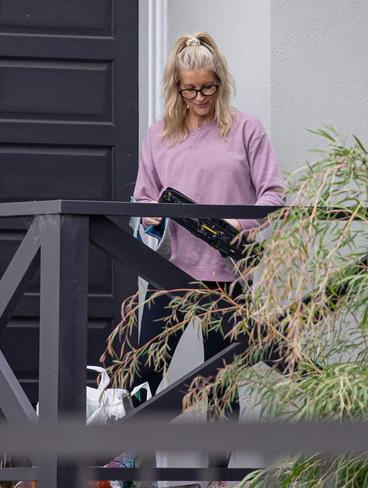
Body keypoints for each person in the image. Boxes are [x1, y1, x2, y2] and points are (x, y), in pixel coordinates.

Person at [132, 31, 285, 406]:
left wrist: (239, 224)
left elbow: (274, 195)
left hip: (228, 276)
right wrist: (151, 220)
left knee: (221, 388)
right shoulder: (158, 136)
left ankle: (217, 468)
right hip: (170, 275)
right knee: (142, 376)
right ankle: (124, 460)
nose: (199, 98)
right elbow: (143, 198)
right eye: (190, 90)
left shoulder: (246, 129)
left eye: (208, 88)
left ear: (221, 82)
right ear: (176, 88)